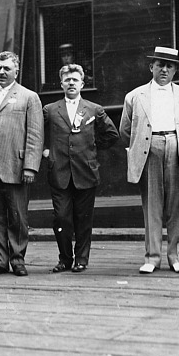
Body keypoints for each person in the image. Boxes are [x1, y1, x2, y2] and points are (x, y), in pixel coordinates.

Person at [119, 46, 179, 274]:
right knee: (152, 205)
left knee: (177, 206)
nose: (164, 70)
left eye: (169, 66)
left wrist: (175, 142)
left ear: (175, 70)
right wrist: (146, 143)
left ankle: (176, 257)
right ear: (150, 67)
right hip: (149, 148)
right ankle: (152, 258)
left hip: (177, 147)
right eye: (160, 65)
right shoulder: (134, 96)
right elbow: (126, 130)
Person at [43, 64, 118, 273]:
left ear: (82, 83)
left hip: (86, 170)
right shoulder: (50, 110)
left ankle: (82, 259)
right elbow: (36, 133)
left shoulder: (94, 109)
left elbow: (112, 135)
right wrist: (45, 150)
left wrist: (92, 148)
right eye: (67, 80)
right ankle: (65, 259)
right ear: (61, 84)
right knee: (61, 217)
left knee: (84, 219)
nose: (71, 83)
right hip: (59, 172)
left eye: (75, 80)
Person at [0, 51, 44, 277]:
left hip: (16, 165)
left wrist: (30, 166)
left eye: (6, 68)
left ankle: (17, 260)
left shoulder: (29, 97)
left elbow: (35, 134)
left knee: (18, 215)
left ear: (16, 70)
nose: (1, 72)